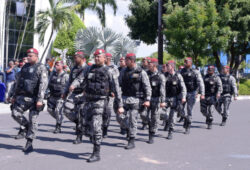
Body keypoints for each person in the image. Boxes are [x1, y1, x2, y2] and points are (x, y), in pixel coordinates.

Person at [70, 49, 124, 162]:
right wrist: (73, 85)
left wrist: (120, 105)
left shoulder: (109, 71)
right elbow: (80, 78)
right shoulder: (89, 68)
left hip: (100, 101)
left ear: (105, 58)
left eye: (99, 57)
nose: (97, 58)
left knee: (96, 126)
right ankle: (94, 138)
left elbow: (117, 89)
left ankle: (96, 152)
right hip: (88, 101)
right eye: (95, 56)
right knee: (86, 126)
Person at [11, 48, 48, 153]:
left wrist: (40, 100)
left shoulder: (41, 68)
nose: (28, 57)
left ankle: (29, 142)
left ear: (36, 56)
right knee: (15, 113)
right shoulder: (25, 67)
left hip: (35, 99)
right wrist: (14, 95)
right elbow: (18, 82)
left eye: (31, 55)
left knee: (33, 120)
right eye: (27, 55)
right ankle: (27, 126)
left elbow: (43, 84)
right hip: (23, 97)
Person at [119, 53, 151, 149]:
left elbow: (147, 86)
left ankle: (131, 140)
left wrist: (148, 99)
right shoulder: (123, 71)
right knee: (120, 117)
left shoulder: (141, 72)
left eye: (126, 60)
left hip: (136, 99)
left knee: (133, 119)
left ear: (132, 61)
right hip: (124, 98)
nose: (125, 61)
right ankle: (129, 129)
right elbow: (119, 83)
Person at [62, 51, 88, 144]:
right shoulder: (73, 68)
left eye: (76, 57)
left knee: (81, 114)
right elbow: (69, 81)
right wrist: (65, 92)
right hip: (73, 94)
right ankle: (80, 123)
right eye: (74, 57)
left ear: (81, 58)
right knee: (66, 110)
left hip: (83, 94)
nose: (75, 59)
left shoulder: (87, 68)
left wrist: (74, 85)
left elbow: (80, 79)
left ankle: (79, 136)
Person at [143, 58, 166, 144]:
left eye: (150, 64)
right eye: (148, 63)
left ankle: (151, 134)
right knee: (145, 116)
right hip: (146, 99)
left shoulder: (160, 76)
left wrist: (163, 101)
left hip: (156, 99)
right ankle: (151, 128)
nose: (148, 65)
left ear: (155, 65)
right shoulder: (145, 74)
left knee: (154, 118)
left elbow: (162, 89)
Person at [180, 57, 205, 134]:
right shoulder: (181, 71)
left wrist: (202, 93)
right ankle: (185, 119)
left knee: (189, 110)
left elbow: (201, 83)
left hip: (192, 93)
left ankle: (188, 127)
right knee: (179, 109)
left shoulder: (195, 72)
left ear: (191, 63)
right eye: (184, 61)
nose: (185, 63)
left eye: (186, 62)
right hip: (183, 93)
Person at [164, 60, 186, 140]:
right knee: (163, 114)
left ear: (172, 67)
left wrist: (183, 97)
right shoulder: (164, 75)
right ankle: (167, 122)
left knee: (173, 116)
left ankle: (170, 131)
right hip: (166, 98)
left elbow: (183, 87)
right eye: (166, 66)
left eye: (168, 66)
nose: (166, 67)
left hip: (175, 98)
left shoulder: (178, 76)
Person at [47, 61, 69, 133]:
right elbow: (48, 83)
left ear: (62, 66)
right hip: (52, 95)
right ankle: (59, 119)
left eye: (58, 65)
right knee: (49, 109)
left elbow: (68, 86)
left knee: (58, 110)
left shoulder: (66, 75)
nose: (56, 66)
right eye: (55, 65)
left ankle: (58, 126)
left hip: (61, 96)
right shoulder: (53, 74)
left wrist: (66, 95)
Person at [102, 53, 120, 138]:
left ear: (109, 58)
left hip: (110, 93)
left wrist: (113, 91)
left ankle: (105, 128)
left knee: (107, 111)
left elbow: (115, 81)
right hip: (101, 93)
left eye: (106, 57)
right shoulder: (101, 67)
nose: (105, 59)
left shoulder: (114, 68)